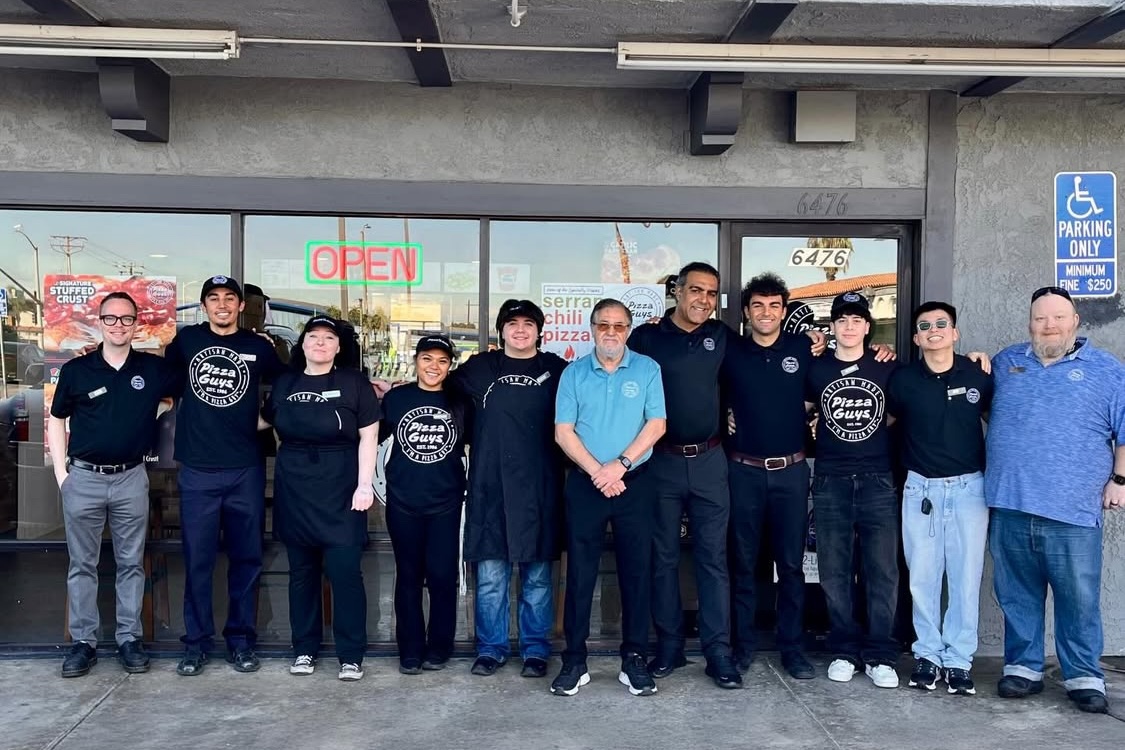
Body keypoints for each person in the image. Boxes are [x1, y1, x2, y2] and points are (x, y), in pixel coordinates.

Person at [986, 286, 1125, 715]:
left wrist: (1119, 479)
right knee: (1015, 594)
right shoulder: (1007, 362)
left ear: (1075, 322)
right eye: (1041, 318)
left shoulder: (1107, 370)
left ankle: (1083, 675)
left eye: (1059, 317)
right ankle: (1023, 668)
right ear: (1030, 322)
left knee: (1078, 599)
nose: (1050, 325)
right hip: (1010, 505)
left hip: (1073, 510)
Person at [47, 292, 178, 678]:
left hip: (131, 478)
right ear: (100, 321)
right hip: (83, 478)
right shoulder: (77, 370)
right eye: (111, 319)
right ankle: (83, 643)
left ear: (136, 324)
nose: (119, 325)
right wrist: (62, 477)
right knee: (82, 565)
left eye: (126, 319)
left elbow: (191, 380)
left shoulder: (153, 370)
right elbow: (57, 420)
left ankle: (128, 639)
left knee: (130, 564)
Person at [164, 275, 284, 676]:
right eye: (213, 298)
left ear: (239, 306)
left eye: (229, 298)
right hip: (197, 469)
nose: (221, 305)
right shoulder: (186, 342)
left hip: (244, 469)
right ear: (204, 306)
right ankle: (196, 644)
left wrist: (265, 420)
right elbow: (158, 380)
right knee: (197, 560)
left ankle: (241, 641)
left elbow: (289, 388)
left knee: (247, 559)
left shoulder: (258, 348)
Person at [552, 298, 666, 697]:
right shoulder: (574, 374)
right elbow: (563, 432)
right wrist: (598, 472)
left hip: (634, 481)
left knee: (636, 571)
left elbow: (657, 425)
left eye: (619, 326)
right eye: (604, 325)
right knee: (580, 574)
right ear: (592, 329)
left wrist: (619, 466)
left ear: (629, 330)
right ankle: (574, 660)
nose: (611, 332)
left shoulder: (648, 369)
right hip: (587, 485)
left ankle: (633, 658)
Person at [453, 299, 568, 678]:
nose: (520, 330)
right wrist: (389, 390)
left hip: (541, 487)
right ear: (501, 331)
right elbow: (435, 391)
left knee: (536, 578)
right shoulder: (478, 368)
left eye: (528, 324)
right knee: (490, 578)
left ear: (540, 330)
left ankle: (535, 650)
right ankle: (491, 649)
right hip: (490, 487)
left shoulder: (557, 370)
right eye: (512, 323)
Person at [262, 316, 380, 681]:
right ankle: (304, 650)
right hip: (295, 486)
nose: (320, 343)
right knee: (301, 575)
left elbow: (369, 437)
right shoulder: (285, 383)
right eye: (313, 337)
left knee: (345, 573)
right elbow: (258, 422)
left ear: (338, 347)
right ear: (303, 345)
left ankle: (350, 655)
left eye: (328, 338)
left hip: (342, 488)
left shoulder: (354, 384)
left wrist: (365, 486)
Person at [886, 302, 992, 695]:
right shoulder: (903, 380)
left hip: (969, 489)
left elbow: (997, 421)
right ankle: (927, 656)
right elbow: (885, 423)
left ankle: (959, 661)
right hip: (921, 489)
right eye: (925, 326)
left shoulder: (978, 374)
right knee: (923, 579)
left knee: (965, 579)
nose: (934, 330)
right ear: (916, 337)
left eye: (942, 324)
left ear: (955, 332)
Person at [720, 273, 816, 680]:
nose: (766, 313)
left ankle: (792, 648)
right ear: (746, 311)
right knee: (742, 565)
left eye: (774, 305)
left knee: (791, 567)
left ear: (784, 310)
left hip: (791, 472)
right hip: (742, 471)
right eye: (757, 305)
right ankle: (743, 647)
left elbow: (834, 376)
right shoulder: (730, 349)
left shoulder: (802, 349)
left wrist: (879, 350)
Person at [805, 291, 901, 688]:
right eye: (842, 319)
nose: (849, 326)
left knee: (882, 570)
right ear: (833, 327)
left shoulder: (887, 366)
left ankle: (880, 653)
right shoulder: (817, 369)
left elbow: (900, 411)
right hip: (830, 479)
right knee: (834, 568)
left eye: (857, 319)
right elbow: (804, 410)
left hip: (878, 478)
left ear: (867, 326)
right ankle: (844, 648)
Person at [379, 334, 467, 675]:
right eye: (427, 359)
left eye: (442, 361)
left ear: (449, 367)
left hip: (446, 501)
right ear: (416, 361)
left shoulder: (459, 403)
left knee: (443, 577)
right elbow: (371, 436)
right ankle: (410, 649)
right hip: (403, 501)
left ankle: (440, 646)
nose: (434, 366)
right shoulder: (397, 398)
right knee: (409, 577)